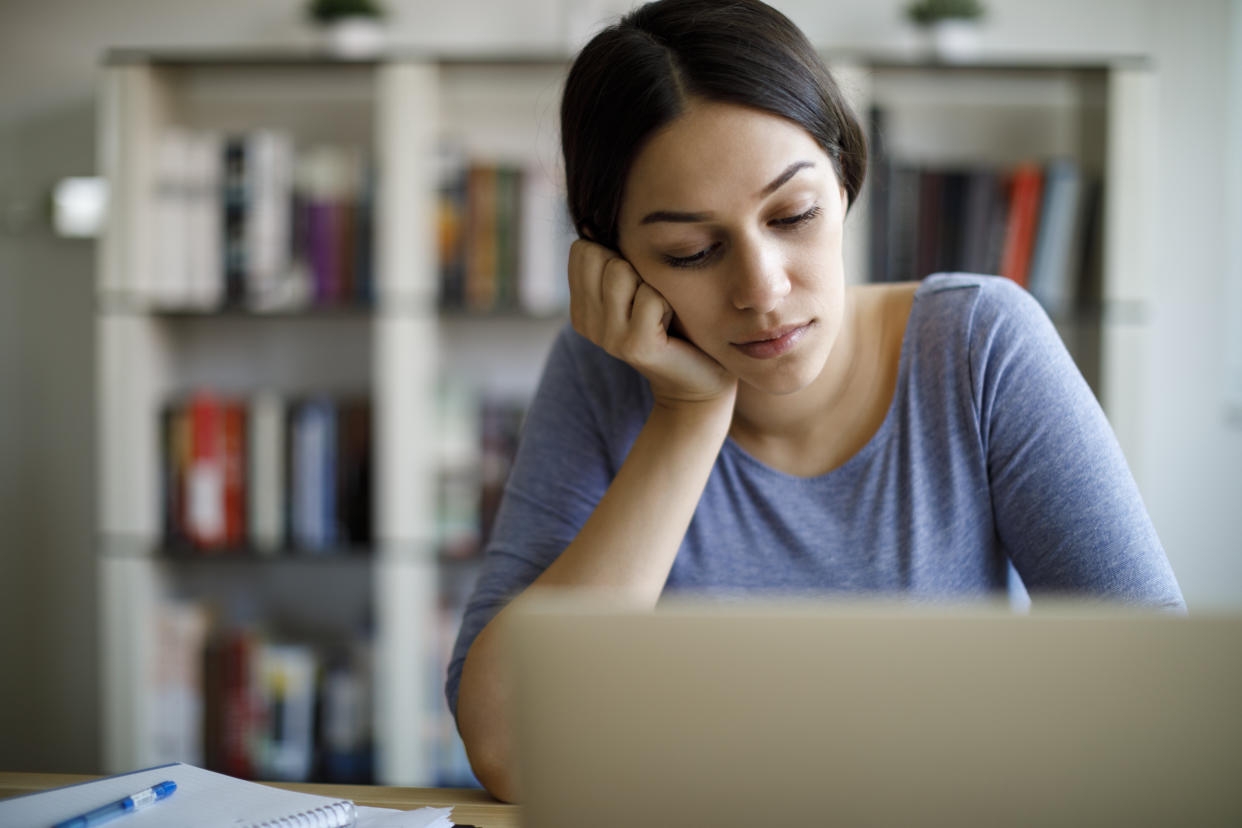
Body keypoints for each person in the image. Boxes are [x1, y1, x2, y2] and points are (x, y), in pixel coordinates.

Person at [446, 0, 1185, 802]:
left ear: (844, 179)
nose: (763, 290)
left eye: (793, 215)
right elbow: (508, 748)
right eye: (691, 252)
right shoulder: (600, 378)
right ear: (615, 262)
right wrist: (687, 416)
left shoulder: (979, 347)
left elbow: (1163, 706)